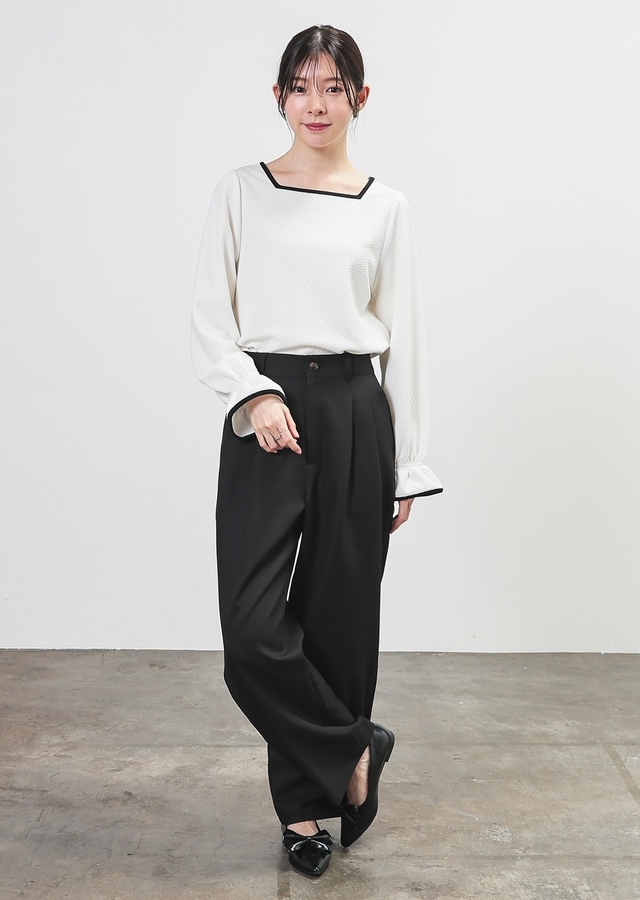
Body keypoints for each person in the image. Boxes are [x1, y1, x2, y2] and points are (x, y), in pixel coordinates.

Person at [190, 24, 442, 878]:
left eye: (334, 87)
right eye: (301, 86)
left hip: (354, 411)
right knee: (252, 629)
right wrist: (251, 393)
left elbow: (405, 340)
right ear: (279, 97)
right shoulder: (241, 192)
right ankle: (353, 744)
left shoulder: (385, 206)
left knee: (339, 620)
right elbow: (210, 317)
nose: (317, 104)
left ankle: (305, 812)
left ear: (360, 98)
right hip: (267, 412)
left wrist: (408, 465)